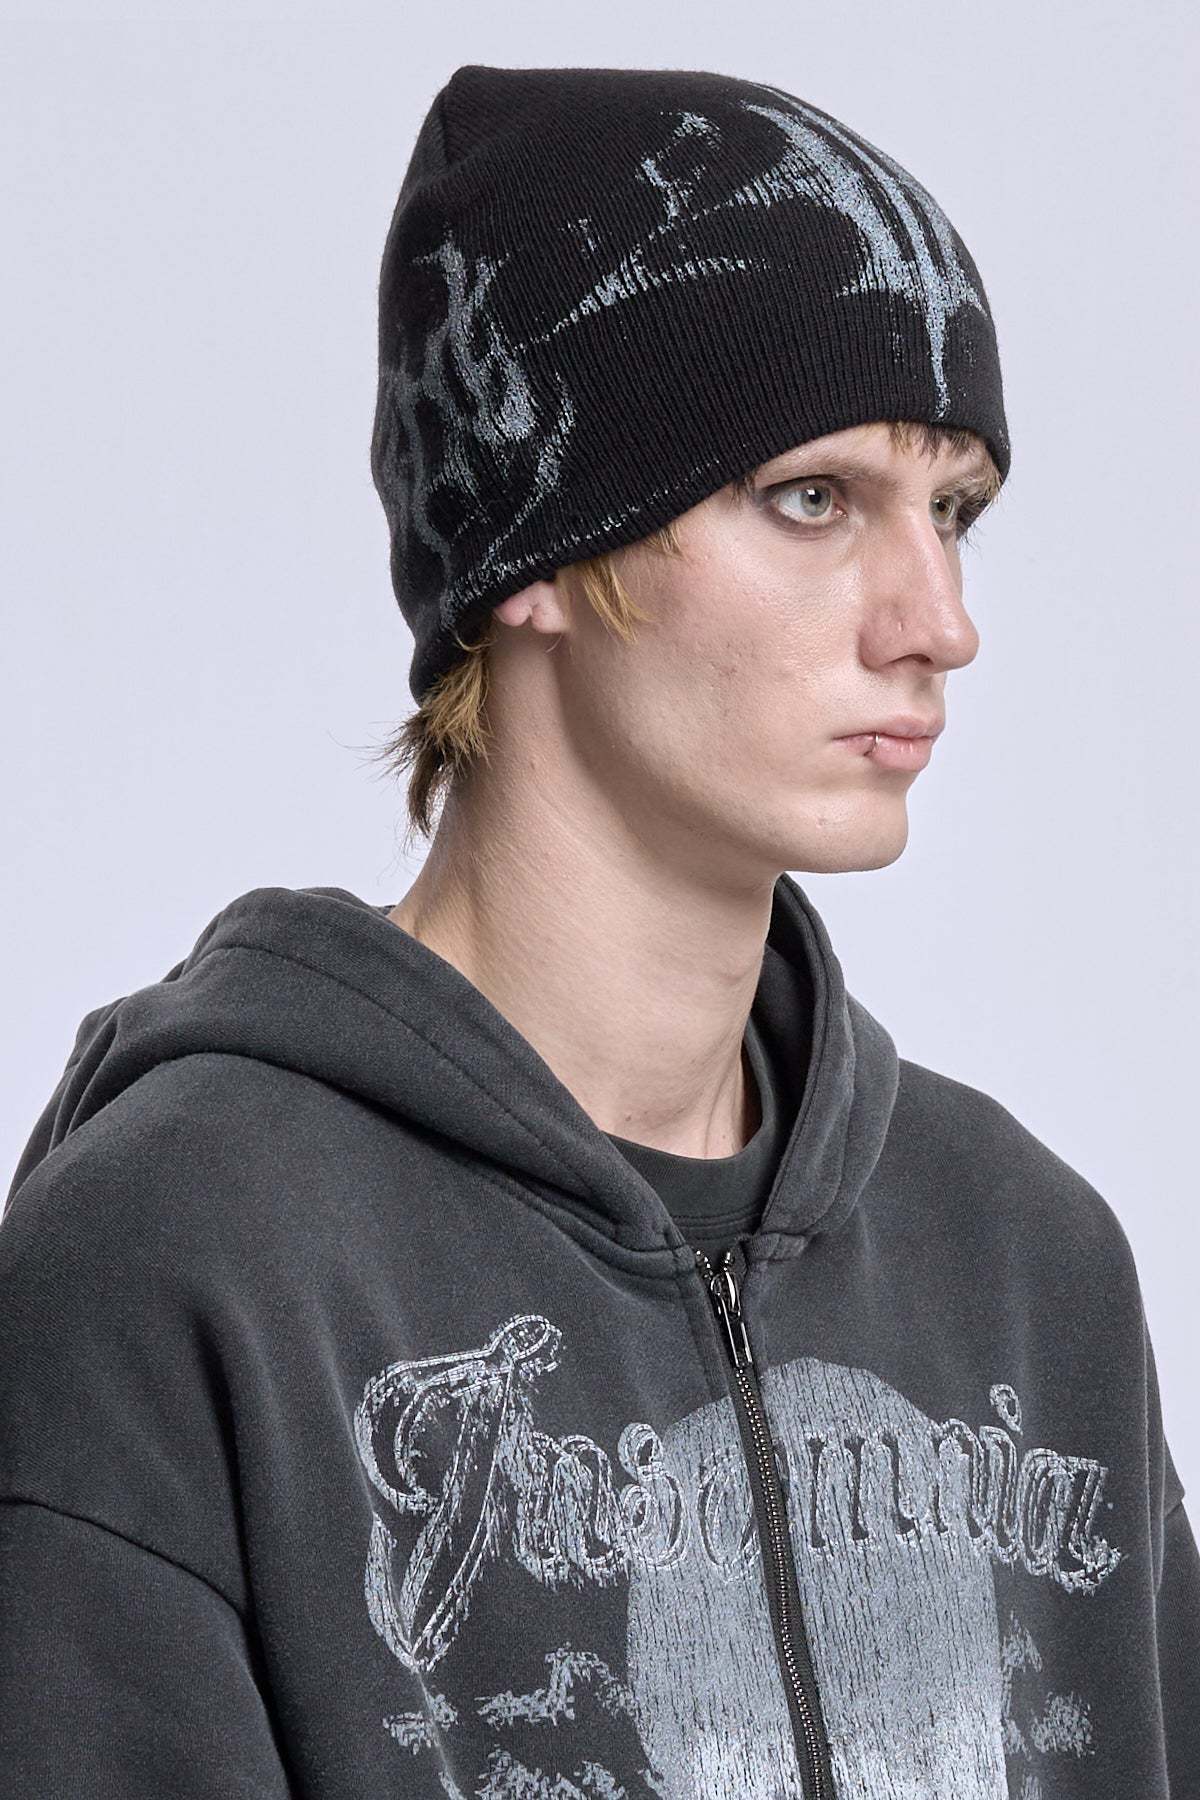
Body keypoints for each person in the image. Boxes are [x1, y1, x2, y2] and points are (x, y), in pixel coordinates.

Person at [1, 60, 1196, 1800]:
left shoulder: (1029, 1264)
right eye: (813, 498)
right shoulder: (186, 1264)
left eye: (953, 510)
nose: (939, 621)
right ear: (533, 555)